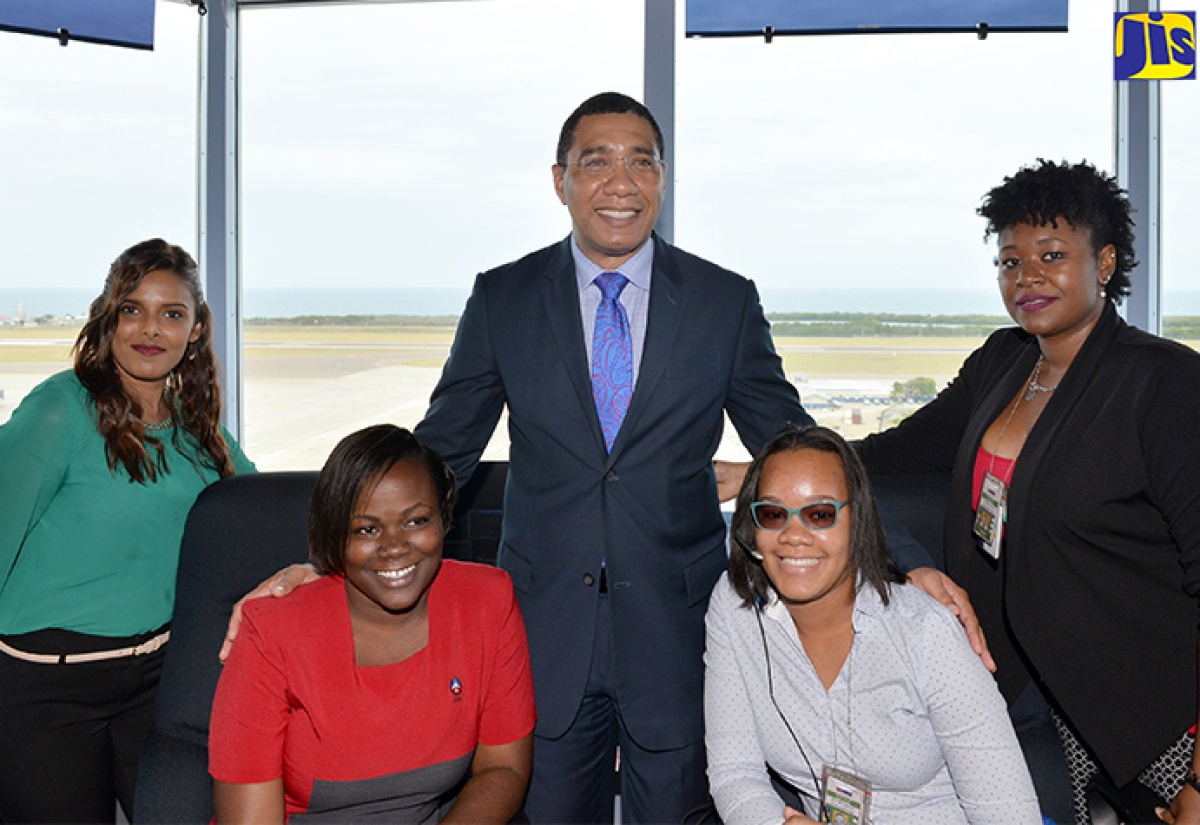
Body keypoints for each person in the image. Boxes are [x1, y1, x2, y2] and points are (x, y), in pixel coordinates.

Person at [222, 91, 977, 823]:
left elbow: (803, 446)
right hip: (543, 633)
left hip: (676, 635)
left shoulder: (722, 300)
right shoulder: (505, 298)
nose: (621, 182)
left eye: (642, 161)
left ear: (663, 179)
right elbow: (437, 454)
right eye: (596, 162)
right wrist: (322, 559)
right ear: (560, 181)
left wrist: (904, 560)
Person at [854, 159, 1200, 825]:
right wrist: (775, 464)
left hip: (1156, 717)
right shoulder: (1003, 360)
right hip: (1035, 703)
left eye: (1051, 255)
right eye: (1010, 261)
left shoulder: (1164, 383)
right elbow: (891, 452)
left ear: (1105, 262)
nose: (1027, 276)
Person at [0, 238, 254, 824]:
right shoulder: (59, 411)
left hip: (159, 683)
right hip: (45, 688)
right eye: (132, 309)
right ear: (109, 317)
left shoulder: (195, 427)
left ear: (194, 332)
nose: (150, 329)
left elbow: (258, 507)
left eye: (172, 314)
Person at [705, 425, 1040, 824]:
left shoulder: (927, 632)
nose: (794, 535)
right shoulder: (735, 606)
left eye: (820, 514)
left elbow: (1010, 815)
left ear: (857, 520)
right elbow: (735, 773)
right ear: (751, 528)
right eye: (774, 514)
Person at [209, 425, 534, 823]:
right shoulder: (271, 633)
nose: (395, 547)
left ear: (444, 519)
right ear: (335, 536)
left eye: (416, 521)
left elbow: (504, 769)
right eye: (367, 529)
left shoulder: (487, 601)